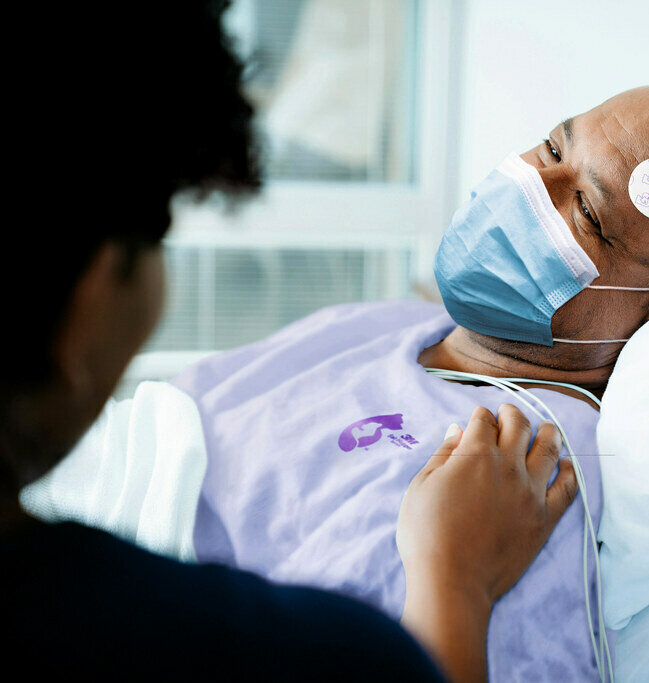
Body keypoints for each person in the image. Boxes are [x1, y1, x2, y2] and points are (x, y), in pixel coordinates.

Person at [19, 79, 649, 679]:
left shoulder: (523, 475)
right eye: (553, 147)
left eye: (590, 217)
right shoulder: (392, 327)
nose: (532, 184)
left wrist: (454, 580)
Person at [0, 3, 577, 681]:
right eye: (551, 149)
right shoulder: (286, 651)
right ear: (90, 297)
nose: (535, 194)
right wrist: (455, 579)